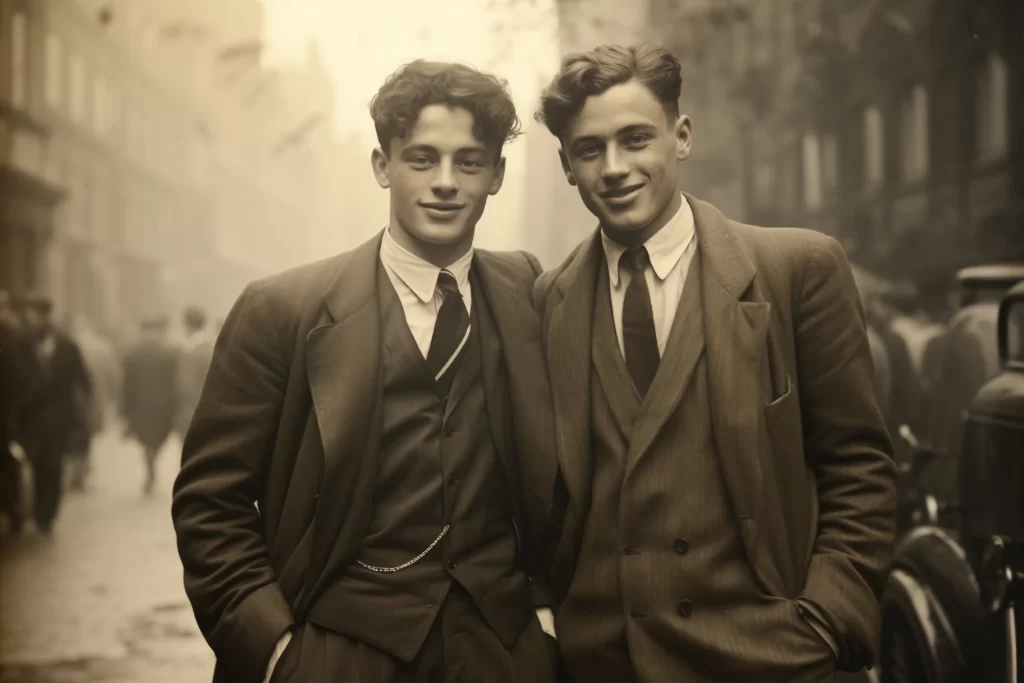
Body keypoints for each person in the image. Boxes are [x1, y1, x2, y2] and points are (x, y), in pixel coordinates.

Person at [172, 60, 560, 683]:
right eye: (421, 158)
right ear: (383, 166)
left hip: (501, 652)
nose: (445, 183)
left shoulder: (527, 291)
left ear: (497, 175)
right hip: (338, 649)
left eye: (468, 162)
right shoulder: (282, 310)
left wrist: (544, 621)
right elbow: (209, 504)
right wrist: (276, 651)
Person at [532, 43, 897, 682]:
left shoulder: (796, 270)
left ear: (682, 137)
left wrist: (828, 618)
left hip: (769, 658)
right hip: (604, 663)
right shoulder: (549, 299)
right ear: (567, 167)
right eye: (590, 150)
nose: (614, 167)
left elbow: (859, 467)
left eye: (636, 139)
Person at [13, 292, 93, 534]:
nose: (34, 320)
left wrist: (82, 412)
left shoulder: (67, 346)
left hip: (60, 419)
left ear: (45, 316)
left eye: (37, 315)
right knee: (37, 464)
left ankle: (47, 515)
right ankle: (39, 511)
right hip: (32, 418)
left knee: (55, 463)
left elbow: (83, 380)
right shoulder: (22, 345)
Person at [121, 316, 179, 495]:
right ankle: (151, 466)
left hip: (140, 407)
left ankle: (150, 467)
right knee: (158, 440)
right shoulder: (169, 353)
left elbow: (127, 384)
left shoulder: (133, 353)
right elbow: (174, 381)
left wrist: (125, 410)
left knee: (146, 441)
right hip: (163, 406)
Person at [174, 306, 215, 437]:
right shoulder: (212, 348)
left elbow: (184, 385)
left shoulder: (190, 351)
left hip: (191, 413)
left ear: (187, 324)